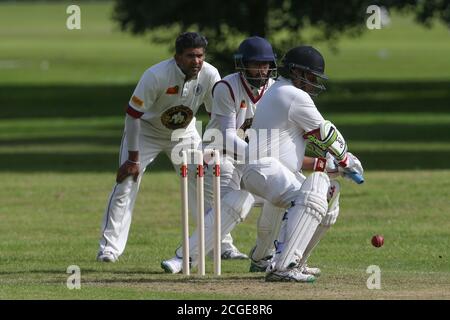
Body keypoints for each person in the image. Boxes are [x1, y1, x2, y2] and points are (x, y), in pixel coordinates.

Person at [96, 32, 223, 263]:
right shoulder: (156, 75)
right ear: (177, 57)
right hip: (146, 132)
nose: (196, 61)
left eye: (200, 56)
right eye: (190, 56)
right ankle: (109, 249)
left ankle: (219, 244)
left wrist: (211, 148)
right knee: (126, 182)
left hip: (184, 134)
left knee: (203, 183)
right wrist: (133, 159)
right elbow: (132, 115)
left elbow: (216, 115)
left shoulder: (211, 74)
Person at [241, 45, 364, 281]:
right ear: (296, 72)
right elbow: (325, 132)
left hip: (272, 169)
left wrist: (332, 167)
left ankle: (295, 261)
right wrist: (347, 159)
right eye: (311, 76)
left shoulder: (281, 91)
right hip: (263, 168)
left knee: (330, 194)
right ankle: (283, 268)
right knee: (317, 187)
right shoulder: (293, 94)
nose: (314, 82)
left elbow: (290, 157)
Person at [161, 36, 278, 273]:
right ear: (243, 64)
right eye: (256, 64)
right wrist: (257, 156)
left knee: (284, 198)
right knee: (234, 205)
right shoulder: (227, 86)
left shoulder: (276, 90)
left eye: (265, 64)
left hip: (254, 159)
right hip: (220, 156)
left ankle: (264, 257)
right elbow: (226, 136)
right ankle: (185, 259)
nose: (262, 69)